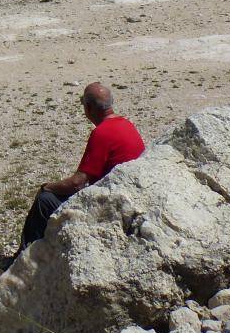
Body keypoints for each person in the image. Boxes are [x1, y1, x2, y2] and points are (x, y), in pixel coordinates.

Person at [19, 82, 145, 251]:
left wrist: (47, 187)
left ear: (88, 107)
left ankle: (22, 261)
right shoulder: (126, 124)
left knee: (44, 200)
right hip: (131, 197)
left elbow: (77, 183)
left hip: (110, 207)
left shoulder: (102, 133)